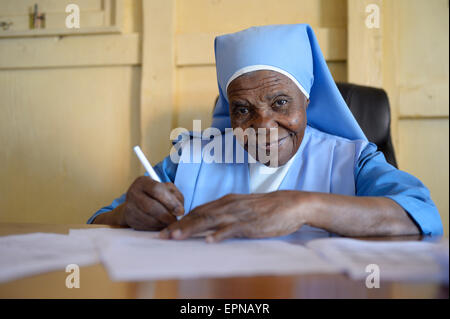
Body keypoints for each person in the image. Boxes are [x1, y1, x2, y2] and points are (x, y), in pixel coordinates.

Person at [87, 24, 443, 242]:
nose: (263, 126)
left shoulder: (351, 160)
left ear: (307, 100)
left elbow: (419, 214)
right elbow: (99, 221)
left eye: (281, 103)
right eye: (243, 109)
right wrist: (126, 215)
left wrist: (302, 206)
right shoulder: (191, 159)